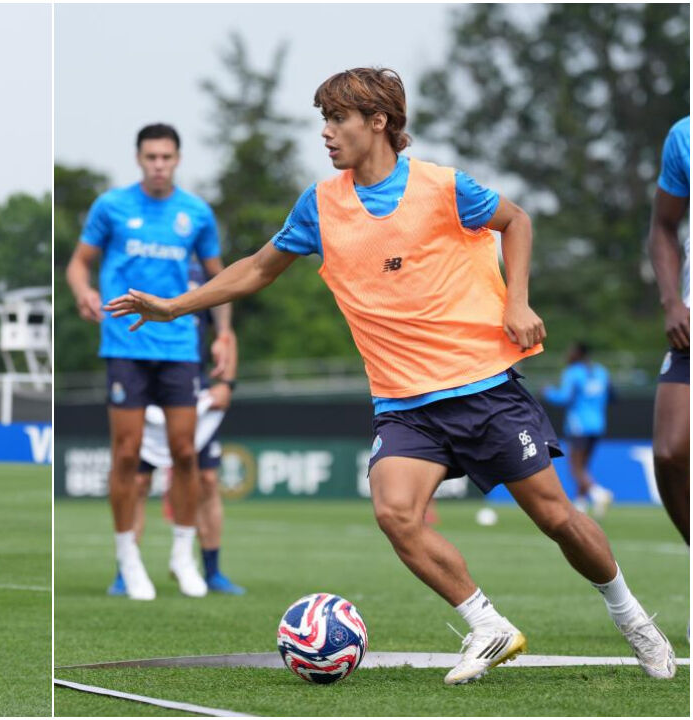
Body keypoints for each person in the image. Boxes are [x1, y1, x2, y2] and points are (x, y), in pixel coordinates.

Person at [106, 68, 675, 683]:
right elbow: (256, 269)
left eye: (338, 119)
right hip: (404, 405)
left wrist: (517, 299)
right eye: (322, 119)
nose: (325, 132)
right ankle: (488, 625)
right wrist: (173, 306)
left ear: (379, 122)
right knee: (394, 512)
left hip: (484, 387)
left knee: (558, 518)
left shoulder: (442, 187)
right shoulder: (319, 205)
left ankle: (634, 619)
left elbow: (517, 221)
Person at [66, 123, 234, 600]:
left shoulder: (196, 213)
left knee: (185, 452)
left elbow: (219, 281)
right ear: (139, 159)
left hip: (180, 345)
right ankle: (128, 558)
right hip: (124, 345)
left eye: (166, 157)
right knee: (127, 453)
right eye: (151, 157)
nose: (159, 164)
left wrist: (223, 334)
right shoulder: (112, 207)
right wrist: (84, 291)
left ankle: (182, 554)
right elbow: (79, 262)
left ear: (178, 159)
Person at [109, 264, 245, 596]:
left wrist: (227, 383)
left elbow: (226, 333)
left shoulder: (203, 277)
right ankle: (126, 570)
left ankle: (210, 569)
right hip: (143, 387)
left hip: (190, 390)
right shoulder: (137, 264)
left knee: (208, 479)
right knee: (139, 480)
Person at [647, 115, 689, 545]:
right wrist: (672, 300)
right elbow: (663, 226)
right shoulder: (684, 135)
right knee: (670, 452)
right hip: (689, 321)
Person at [541, 342, 614, 517]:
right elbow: (612, 395)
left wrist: (549, 392)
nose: (568, 354)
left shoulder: (573, 372)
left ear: (578, 354)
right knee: (584, 467)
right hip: (598, 425)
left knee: (575, 468)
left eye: (571, 351)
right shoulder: (601, 371)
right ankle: (581, 505)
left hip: (579, 425)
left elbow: (565, 398)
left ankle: (598, 493)